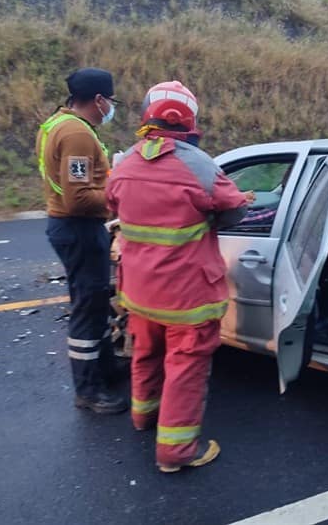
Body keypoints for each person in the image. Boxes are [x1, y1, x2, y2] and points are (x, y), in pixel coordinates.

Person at [106, 81, 252, 472]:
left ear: (146, 116)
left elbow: (113, 203)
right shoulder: (201, 166)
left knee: (146, 353)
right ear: (189, 119)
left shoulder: (125, 164)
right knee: (185, 368)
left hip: (139, 290)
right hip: (188, 297)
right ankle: (175, 452)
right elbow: (236, 211)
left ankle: (143, 417)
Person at [36, 67, 127, 414]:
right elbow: (78, 198)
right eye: (111, 101)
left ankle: (106, 368)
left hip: (67, 225)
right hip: (78, 227)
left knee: (94, 300)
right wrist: (117, 193)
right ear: (100, 100)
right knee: (88, 308)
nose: (111, 108)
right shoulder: (77, 134)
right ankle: (88, 390)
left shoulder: (55, 124)